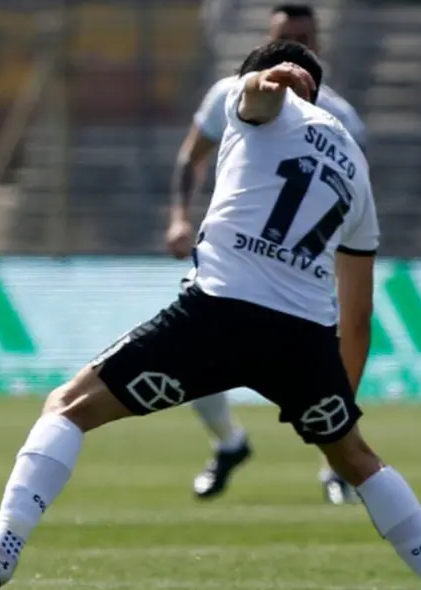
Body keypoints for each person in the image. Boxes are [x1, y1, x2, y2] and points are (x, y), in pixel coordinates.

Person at [0, 41, 421, 590]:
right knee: (356, 457)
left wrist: (269, 80)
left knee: (69, 405)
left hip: (219, 314)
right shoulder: (357, 167)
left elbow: (257, 97)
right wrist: (340, 402)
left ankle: (1, 548)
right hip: (303, 338)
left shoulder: (256, 101)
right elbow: (357, 315)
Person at [165, 3, 366, 503]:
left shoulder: (341, 117)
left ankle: (335, 463)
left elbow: (355, 206)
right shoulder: (231, 94)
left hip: (303, 275)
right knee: (190, 356)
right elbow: (192, 156)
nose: (297, 43)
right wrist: (178, 216)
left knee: (328, 373)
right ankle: (230, 443)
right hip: (233, 262)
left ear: (318, 44)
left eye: (304, 36)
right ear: (269, 39)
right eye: (286, 35)